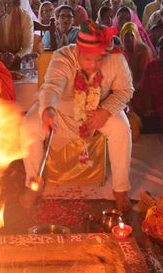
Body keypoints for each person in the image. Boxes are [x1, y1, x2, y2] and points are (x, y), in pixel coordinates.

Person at [20, 21, 133, 212]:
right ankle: (32, 184)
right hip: (61, 111)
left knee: (121, 128)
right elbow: (52, 88)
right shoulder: (63, 56)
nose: (93, 65)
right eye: (89, 59)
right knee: (29, 127)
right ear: (78, 51)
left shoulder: (115, 59)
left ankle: (120, 189)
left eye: (99, 60)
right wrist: (48, 110)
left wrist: (105, 112)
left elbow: (126, 90)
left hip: (97, 110)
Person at [118, 21, 151, 89]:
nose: (129, 38)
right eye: (126, 35)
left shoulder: (143, 50)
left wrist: (134, 86)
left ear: (136, 36)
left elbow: (143, 72)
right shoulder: (119, 51)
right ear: (122, 36)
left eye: (132, 35)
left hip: (140, 86)